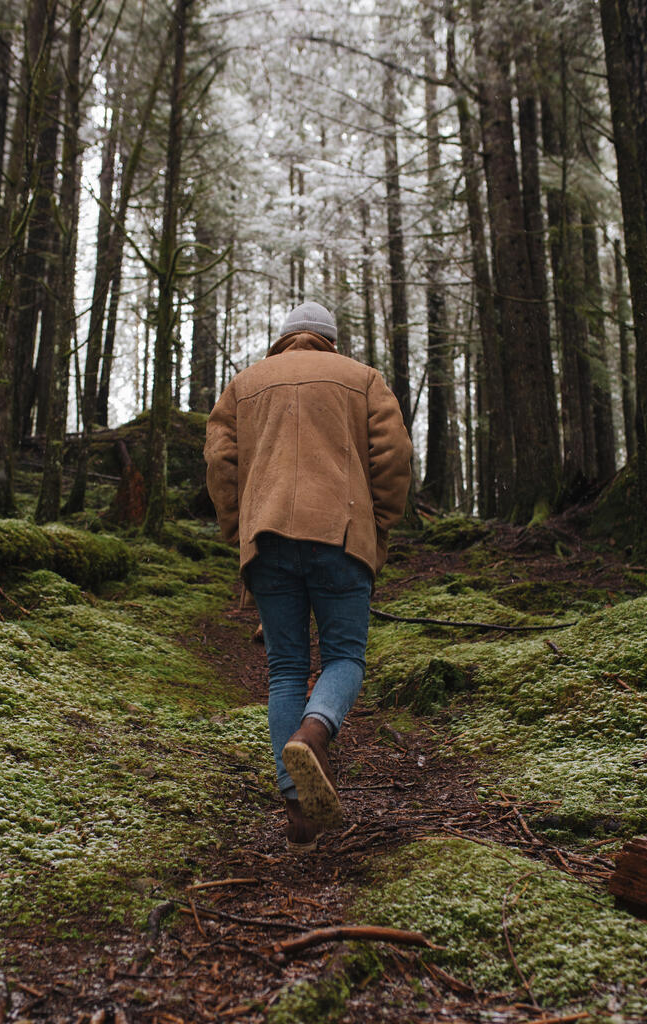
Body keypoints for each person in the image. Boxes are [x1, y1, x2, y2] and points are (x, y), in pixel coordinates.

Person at [204, 301, 412, 852]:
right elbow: (393, 458)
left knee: (285, 669)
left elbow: (220, 461)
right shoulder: (362, 379)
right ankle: (314, 732)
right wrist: (379, 527)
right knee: (344, 655)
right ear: (330, 340)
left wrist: (238, 528)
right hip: (341, 534)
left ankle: (296, 810)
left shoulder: (244, 384)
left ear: (284, 339)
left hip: (266, 538)